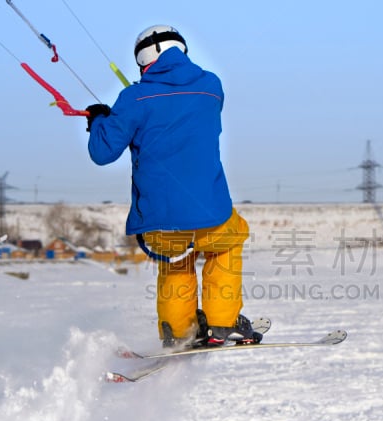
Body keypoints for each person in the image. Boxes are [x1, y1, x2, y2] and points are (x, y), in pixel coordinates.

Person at [86, 25, 259, 348]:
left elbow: (102, 151)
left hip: (160, 220)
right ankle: (222, 323)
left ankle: (179, 330)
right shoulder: (211, 86)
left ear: (144, 58)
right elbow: (182, 115)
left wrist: (99, 120)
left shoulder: (133, 98)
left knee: (175, 259)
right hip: (212, 213)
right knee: (227, 244)